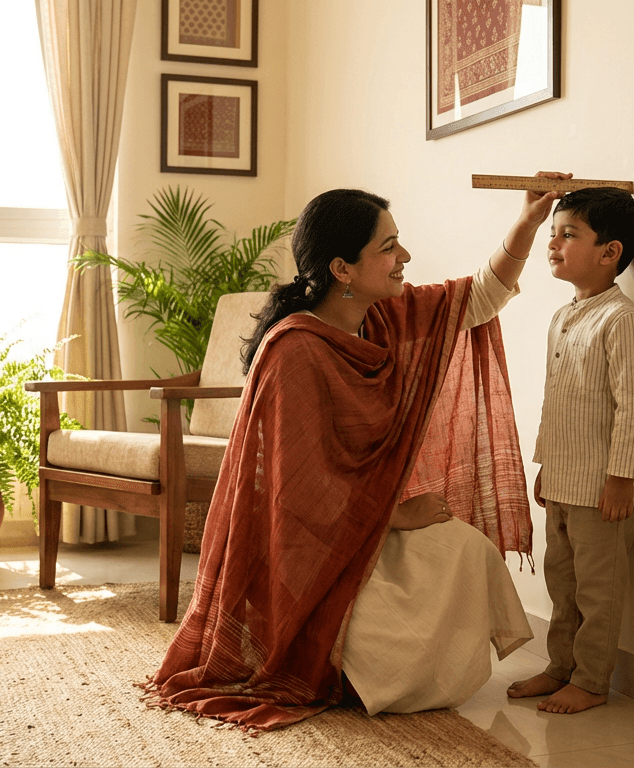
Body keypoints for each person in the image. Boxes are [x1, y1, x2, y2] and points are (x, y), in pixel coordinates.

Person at [145, 173, 571, 731]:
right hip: (305, 552)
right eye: (388, 247)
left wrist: (527, 222)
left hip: (364, 529)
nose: (405, 256)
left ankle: (390, 665)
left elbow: (479, 299)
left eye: (398, 241)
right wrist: (396, 514)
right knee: (359, 645)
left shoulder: (383, 318)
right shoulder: (294, 351)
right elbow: (298, 496)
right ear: (341, 270)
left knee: (467, 549)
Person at [507, 187, 634, 714]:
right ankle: (559, 667)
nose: (553, 244)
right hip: (565, 480)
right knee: (561, 583)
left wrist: (622, 478)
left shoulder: (622, 321)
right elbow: (556, 400)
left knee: (598, 590)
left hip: (603, 490)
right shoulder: (564, 317)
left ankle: (591, 681)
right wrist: (544, 464)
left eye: (569, 235)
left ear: (609, 251)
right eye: (553, 234)